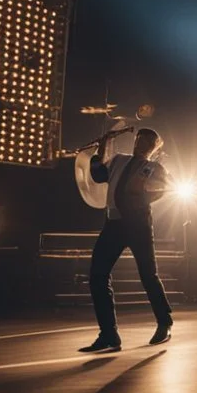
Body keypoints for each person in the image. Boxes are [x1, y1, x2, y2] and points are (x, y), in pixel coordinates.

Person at [78, 128, 174, 353]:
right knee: (97, 275)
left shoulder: (154, 167)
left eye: (147, 142)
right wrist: (102, 148)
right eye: (139, 139)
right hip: (113, 224)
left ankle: (165, 322)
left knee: (148, 275)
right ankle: (108, 333)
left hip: (138, 224)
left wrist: (140, 199)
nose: (141, 143)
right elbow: (98, 175)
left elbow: (162, 189)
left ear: (154, 147)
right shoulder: (119, 160)